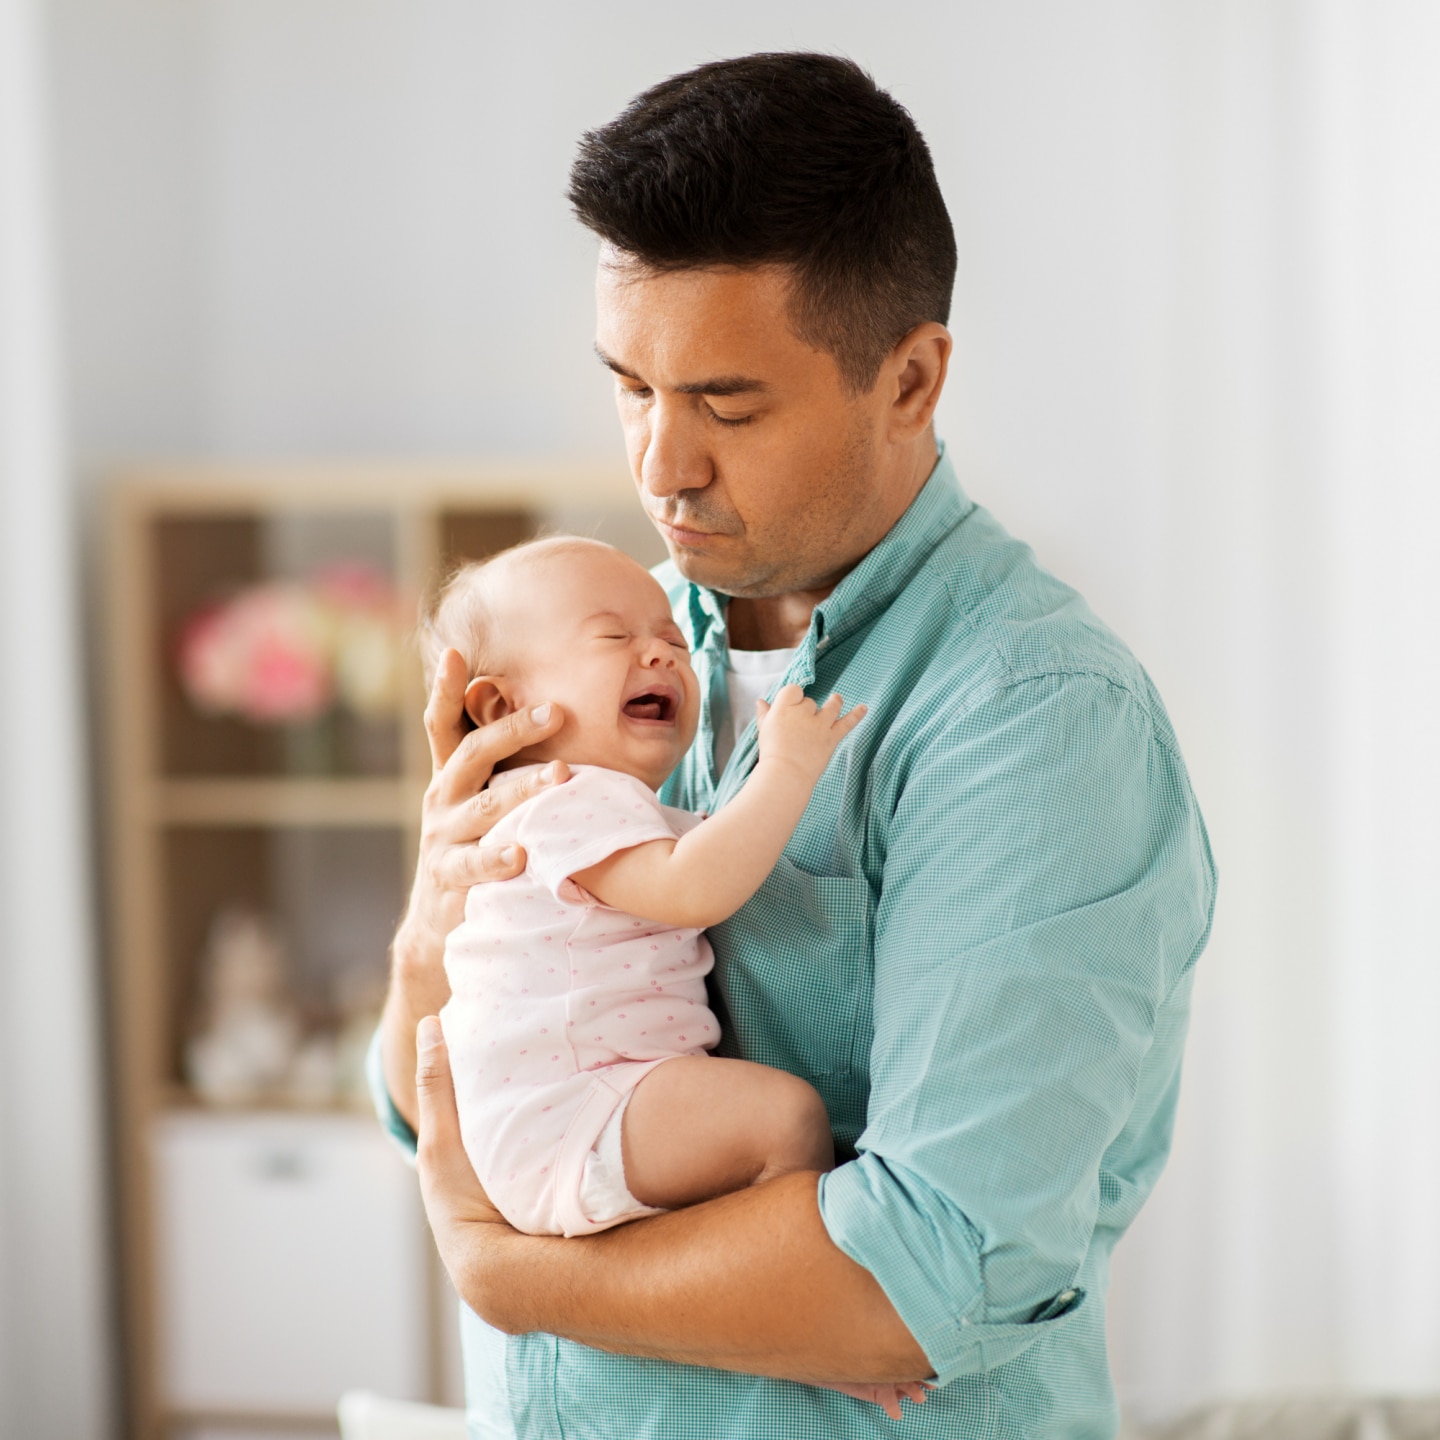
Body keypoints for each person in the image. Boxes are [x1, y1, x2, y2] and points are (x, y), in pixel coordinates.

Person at [372, 51, 1216, 1439]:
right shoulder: (611, 649)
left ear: (912, 378)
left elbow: (916, 1281)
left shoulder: (1035, 723)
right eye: (631, 387)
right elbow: (435, 1106)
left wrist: (511, 1274)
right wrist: (433, 926)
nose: (659, 465)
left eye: (726, 401)